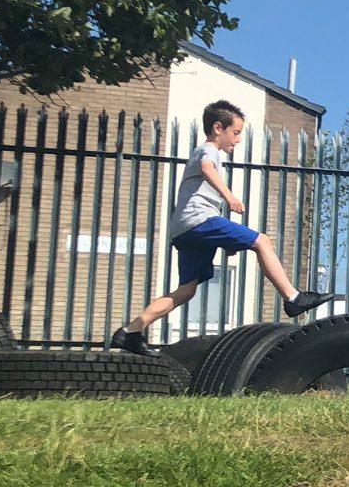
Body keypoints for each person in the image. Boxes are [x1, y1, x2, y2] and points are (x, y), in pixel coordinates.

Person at [111, 100, 328, 354]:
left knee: (186, 291)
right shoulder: (209, 150)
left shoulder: (203, 151)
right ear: (217, 128)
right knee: (262, 241)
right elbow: (206, 168)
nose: (237, 140)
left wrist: (223, 241)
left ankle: (131, 331)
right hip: (199, 220)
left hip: (183, 230)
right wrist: (230, 197)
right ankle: (293, 298)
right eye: (235, 133)